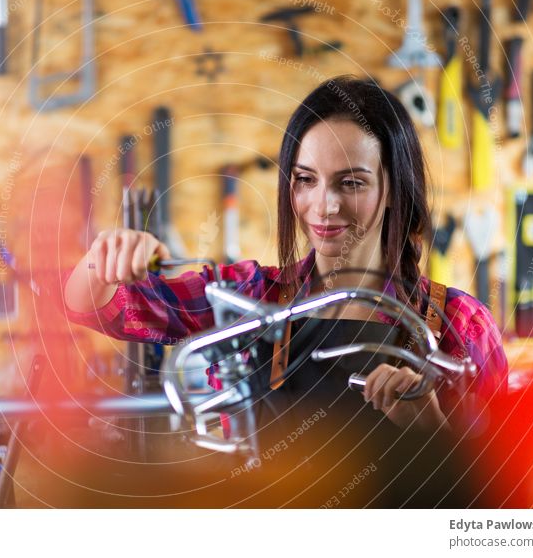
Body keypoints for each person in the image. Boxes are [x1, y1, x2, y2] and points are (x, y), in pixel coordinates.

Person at [63, 76, 508, 437]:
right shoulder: (250, 299)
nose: (323, 206)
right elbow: (96, 309)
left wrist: (432, 434)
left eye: (350, 183)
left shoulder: (460, 326)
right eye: (305, 180)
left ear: (393, 188)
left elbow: (504, 506)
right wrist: (105, 258)